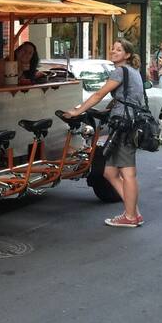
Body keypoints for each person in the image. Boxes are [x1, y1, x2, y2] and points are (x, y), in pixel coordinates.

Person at [64, 39, 145, 227]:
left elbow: (98, 94)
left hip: (125, 125)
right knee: (109, 172)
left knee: (128, 173)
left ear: (127, 55)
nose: (113, 51)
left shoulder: (120, 71)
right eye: (112, 48)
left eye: (118, 50)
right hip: (127, 123)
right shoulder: (132, 71)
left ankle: (131, 217)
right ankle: (133, 211)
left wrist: (78, 111)